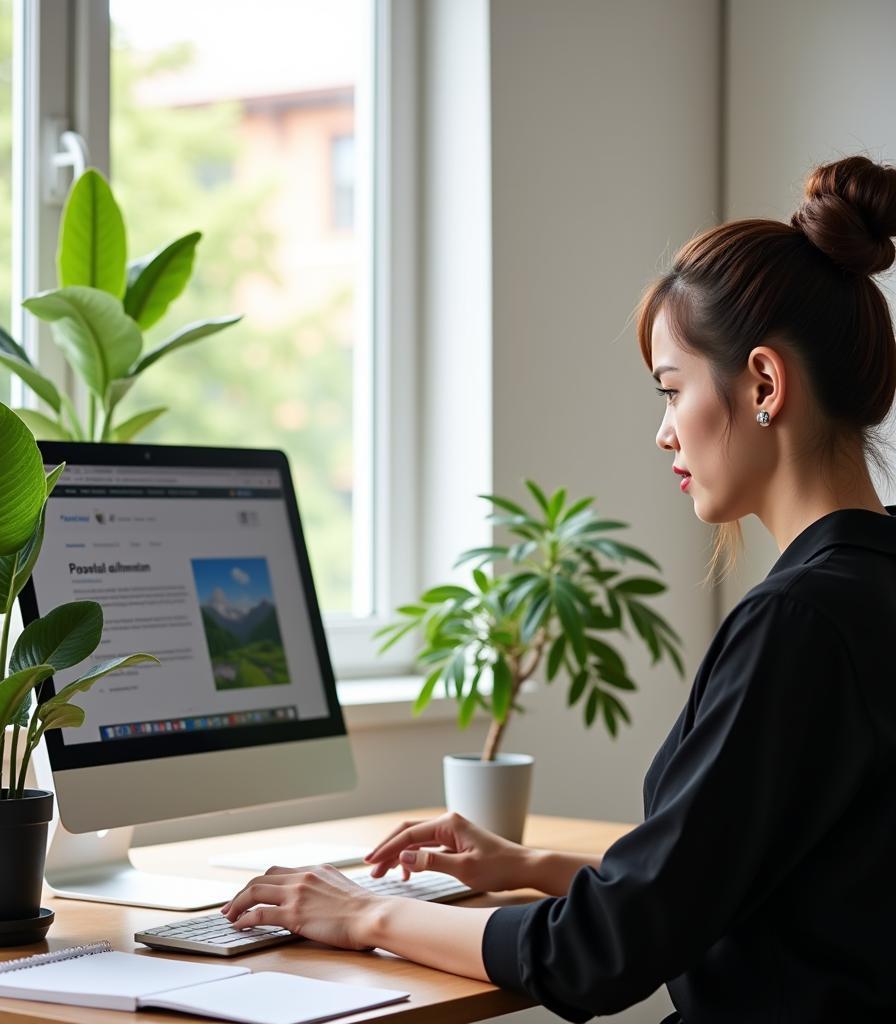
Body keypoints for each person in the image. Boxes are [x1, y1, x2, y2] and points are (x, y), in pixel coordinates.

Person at [221, 154, 896, 1022]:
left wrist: (362, 912)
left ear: (764, 384)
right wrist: (527, 865)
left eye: (672, 388)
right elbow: (728, 890)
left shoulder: (800, 623)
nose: (663, 432)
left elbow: (598, 955)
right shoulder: (866, 592)